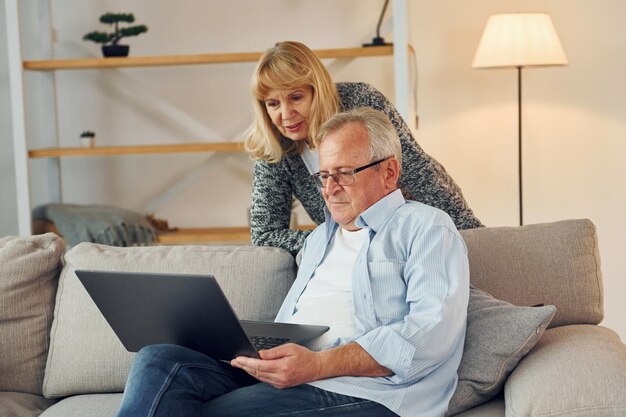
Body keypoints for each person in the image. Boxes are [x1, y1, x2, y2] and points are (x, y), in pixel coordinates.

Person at [116, 107, 469, 417]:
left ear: (389, 172)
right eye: (324, 176)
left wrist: (316, 366)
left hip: (363, 388)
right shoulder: (318, 240)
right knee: (159, 358)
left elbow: (429, 334)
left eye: (344, 173)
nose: (330, 189)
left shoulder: (426, 227)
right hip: (289, 371)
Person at [245, 40, 482, 255]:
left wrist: (475, 237)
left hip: (416, 226)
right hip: (359, 251)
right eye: (273, 103)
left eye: (296, 98)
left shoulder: (360, 100)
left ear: (316, 91)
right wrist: (339, 240)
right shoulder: (274, 144)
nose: (286, 114)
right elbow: (264, 235)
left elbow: (422, 175)